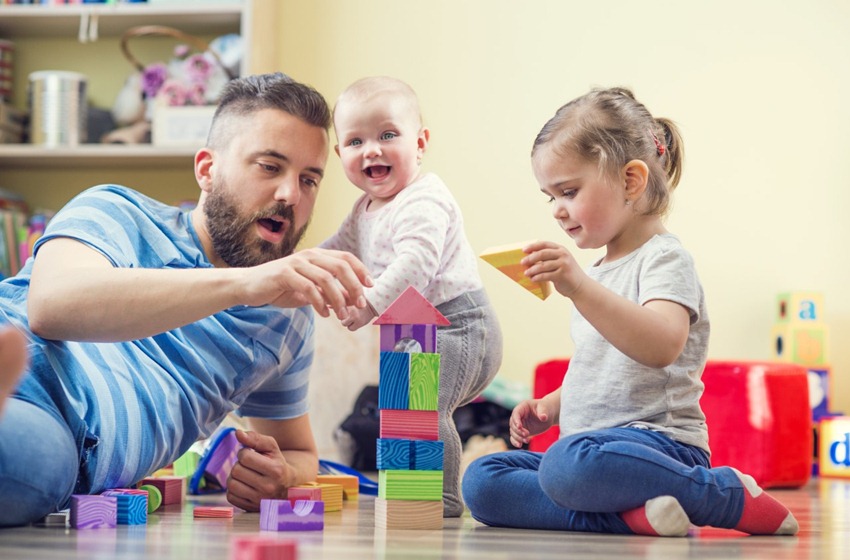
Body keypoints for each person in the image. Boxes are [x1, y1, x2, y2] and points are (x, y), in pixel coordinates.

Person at [0, 73, 374, 527]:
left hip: (62, 437)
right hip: (21, 355)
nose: (289, 195)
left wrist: (282, 475)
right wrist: (242, 283)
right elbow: (51, 306)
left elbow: (300, 453)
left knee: (26, 463)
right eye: (269, 167)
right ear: (206, 169)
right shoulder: (117, 210)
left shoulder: (285, 318)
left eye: (309, 180)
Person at [461, 87, 799, 537]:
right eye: (550, 197)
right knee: (483, 481)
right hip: (592, 448)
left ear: (630, 181)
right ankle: (632, 518)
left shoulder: (664, 259)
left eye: (569, 191)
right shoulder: (598, 272)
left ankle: (719, 494)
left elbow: (660, 345)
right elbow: (600, 364)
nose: (559, 211)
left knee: (566, 467)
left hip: (660, 448)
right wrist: (552, 407)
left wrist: (578, 286)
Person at [321, 76, 503, 517]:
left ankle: (441, 497)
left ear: (419, 143)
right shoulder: (364, 210)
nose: (372, 150)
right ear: (340, 153)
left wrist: (367, 303)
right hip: (411, 327)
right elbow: (334, 251)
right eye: (355, 141)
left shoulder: (424, 198)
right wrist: (298, 269)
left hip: (460, 324)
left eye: (388, 135)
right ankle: (406, 492)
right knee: (398, 410)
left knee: (425, 406)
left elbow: (416, 265)